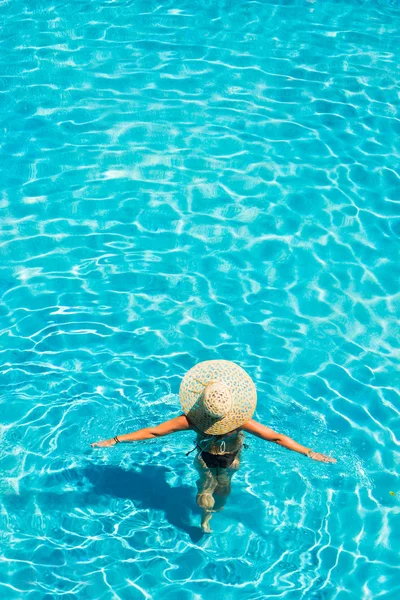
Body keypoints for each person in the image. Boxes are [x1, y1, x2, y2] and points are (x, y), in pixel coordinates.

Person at [91, 360, 336, 533]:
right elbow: (276, 437)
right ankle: (216, 511)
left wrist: (115, 440)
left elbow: (153, 432)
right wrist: (309, 452)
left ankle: (205, 519)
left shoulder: (191, 420)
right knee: (224, 487)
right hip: (232, 457)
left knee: (204, 488)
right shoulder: (241, 421)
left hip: (205, 458)